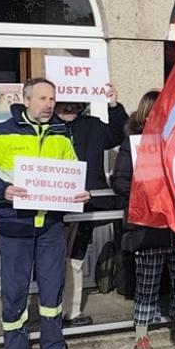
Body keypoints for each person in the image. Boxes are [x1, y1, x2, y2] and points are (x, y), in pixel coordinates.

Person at [0, 77, 90, 349]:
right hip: (15, 225)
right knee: (14, 294)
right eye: (43, 98)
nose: (49, 104)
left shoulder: (62, 134)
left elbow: (71, 172)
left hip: (50, 226)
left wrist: (79, 192)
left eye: (52, 99)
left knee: (52, 293)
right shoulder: (2, 132)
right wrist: (4, 189)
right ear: (26, 99)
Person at [111, 89, 175, 349]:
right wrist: (145, 191)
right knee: (147, 284)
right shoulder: (134, 143)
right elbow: (118, 180)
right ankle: (141, 336)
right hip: (148, 226)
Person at [56, 86, 128, 328]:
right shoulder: (46, 127)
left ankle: (72, 311)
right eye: (63, 102)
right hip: (55, 204)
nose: (68, 108)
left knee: (75, 258)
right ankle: (55, 310)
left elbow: (119, 133)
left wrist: (114, 105)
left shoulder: (94, 125)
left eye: (74, 103)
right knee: (54, 259)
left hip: (87, 202)